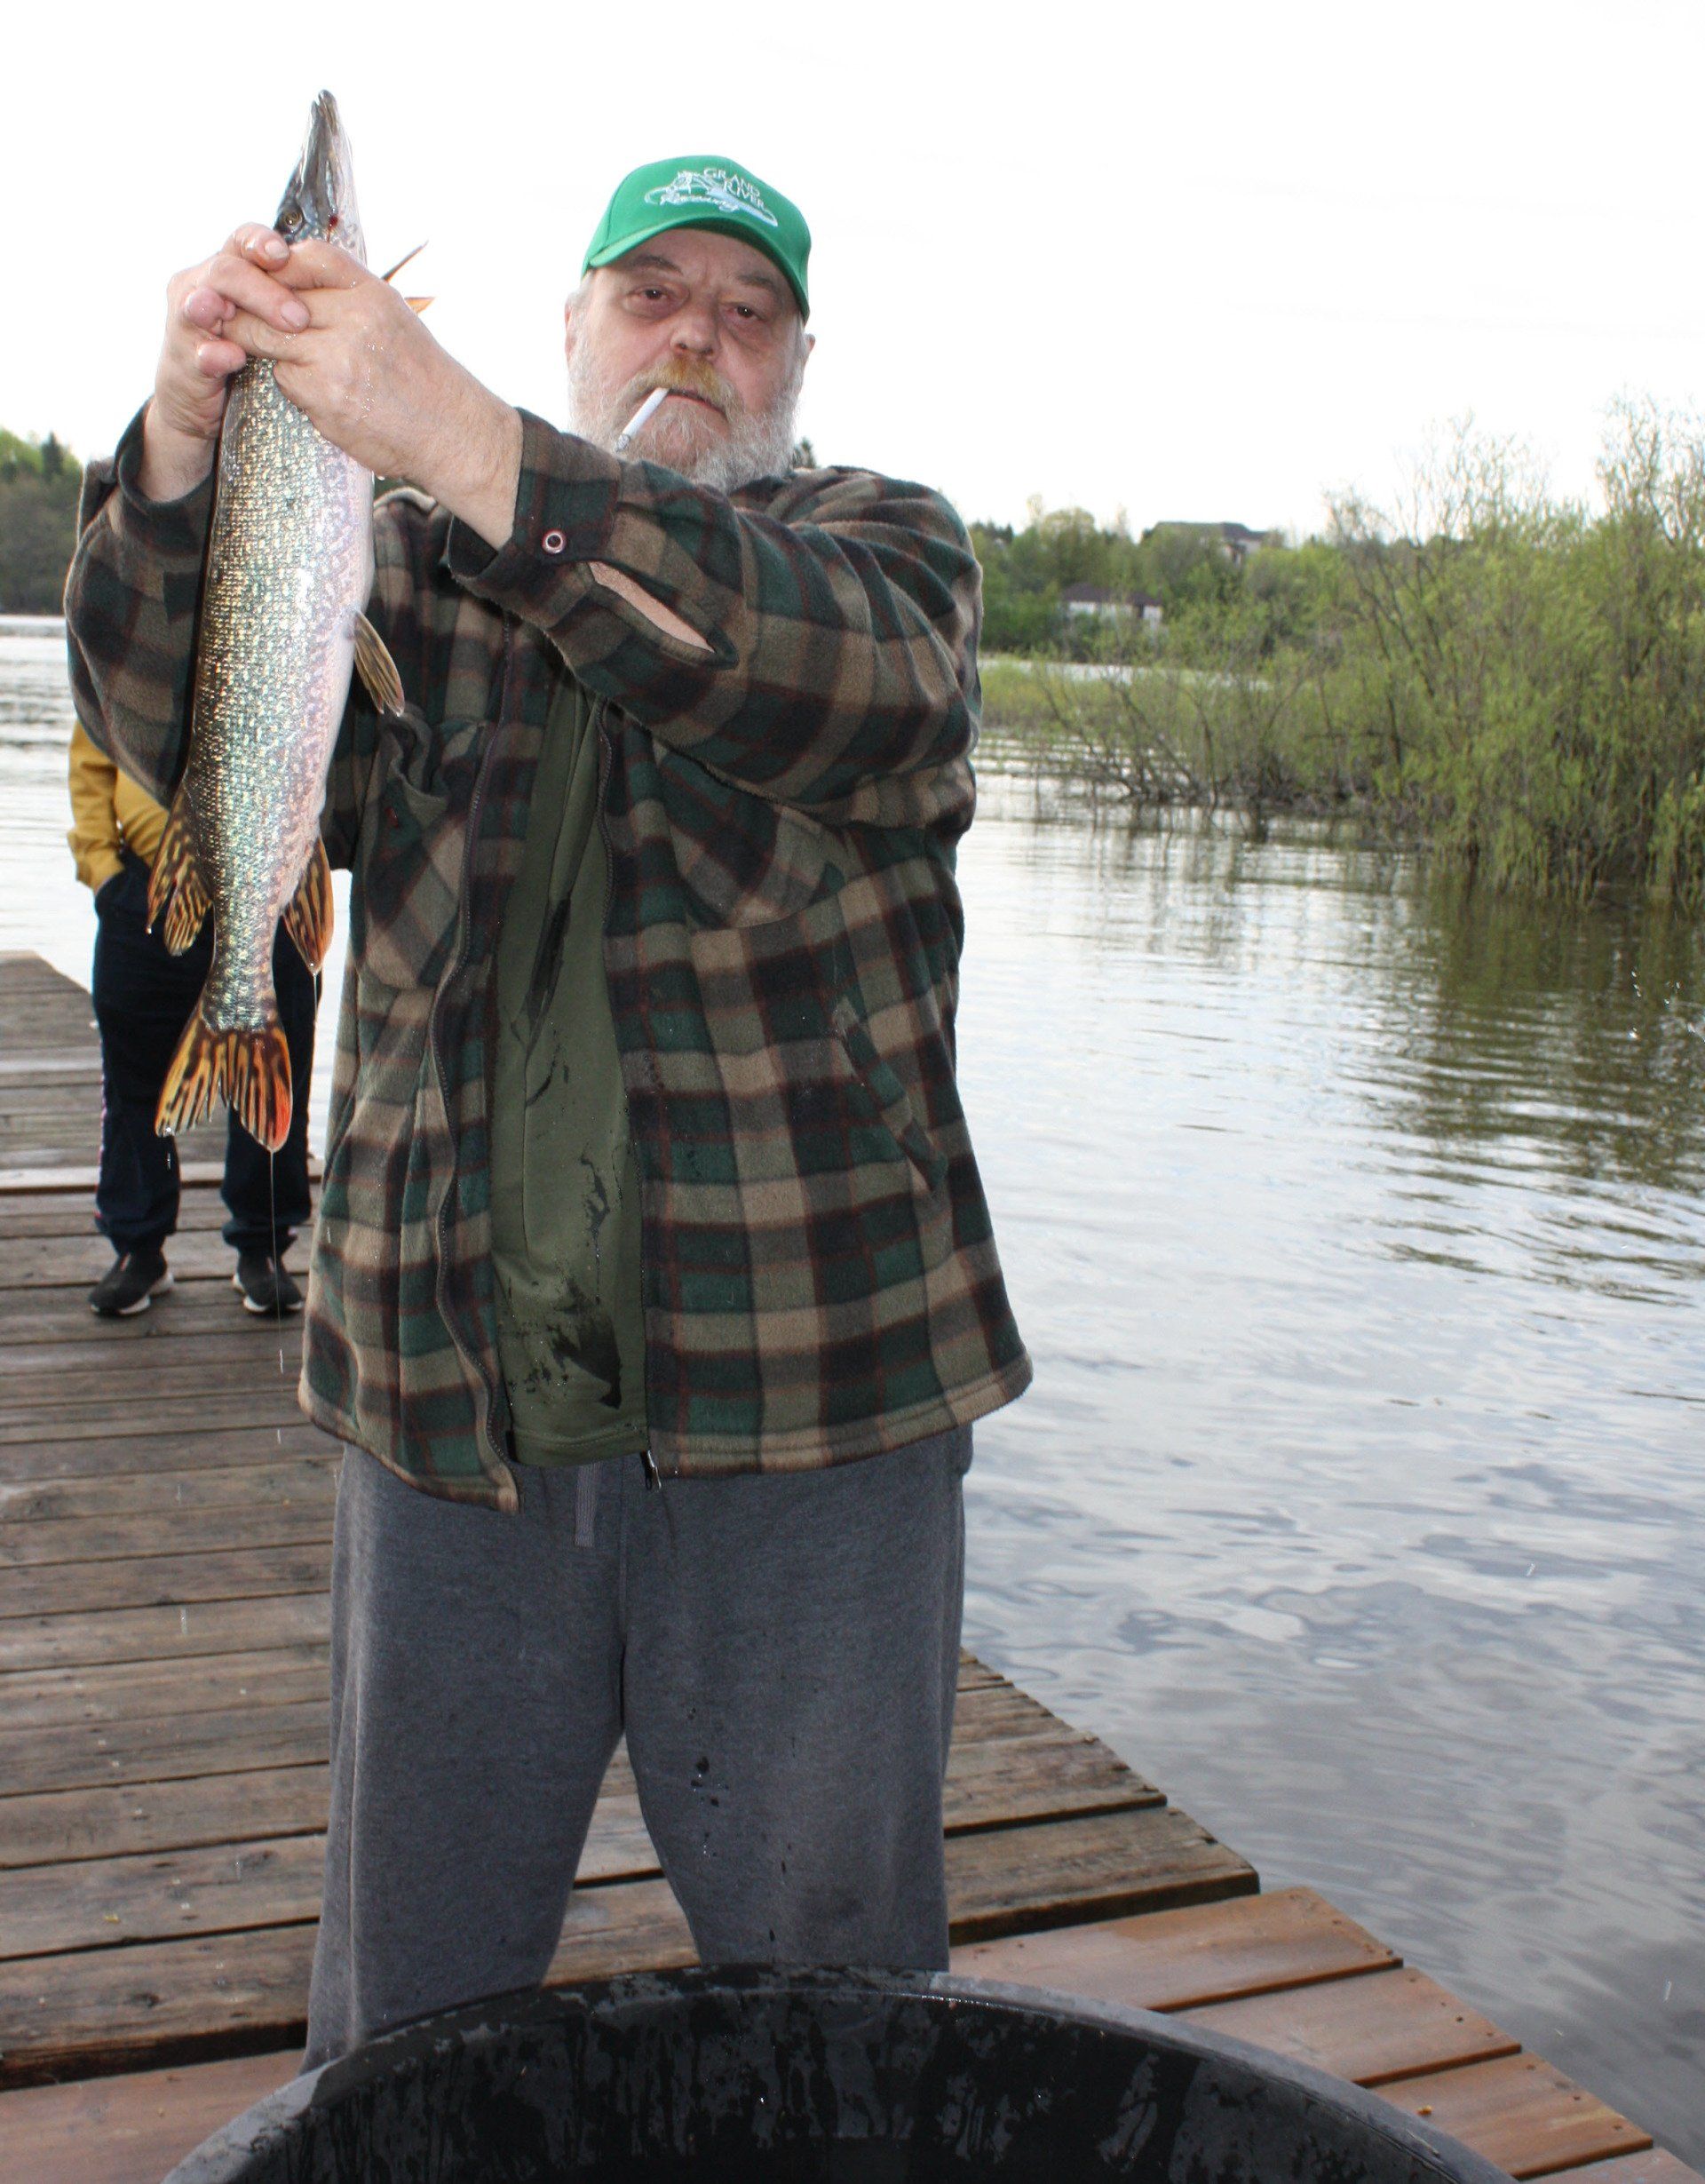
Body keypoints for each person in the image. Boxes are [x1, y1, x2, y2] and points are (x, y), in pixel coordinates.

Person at [64, 152, 1030, 2067]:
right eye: (652, 293)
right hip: (447, 1417)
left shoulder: (887, 561)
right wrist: (180, 448)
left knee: (839, 2013)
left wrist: (469, 441)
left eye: (746, 311)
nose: (697, 337)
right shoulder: (413, 570)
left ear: (802, 360)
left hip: (814, 1413)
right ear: (572, 325)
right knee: (407, 2012)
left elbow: (812, 669)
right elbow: (158, 704)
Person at [67, 720, 318, 1317]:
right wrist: (103, 872)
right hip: (146, 891)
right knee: (133, 1078)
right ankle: (138, 1246)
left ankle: (262, 1247)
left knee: (277, 1069)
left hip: (270, 885)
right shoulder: (127, 660)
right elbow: (92, 755)